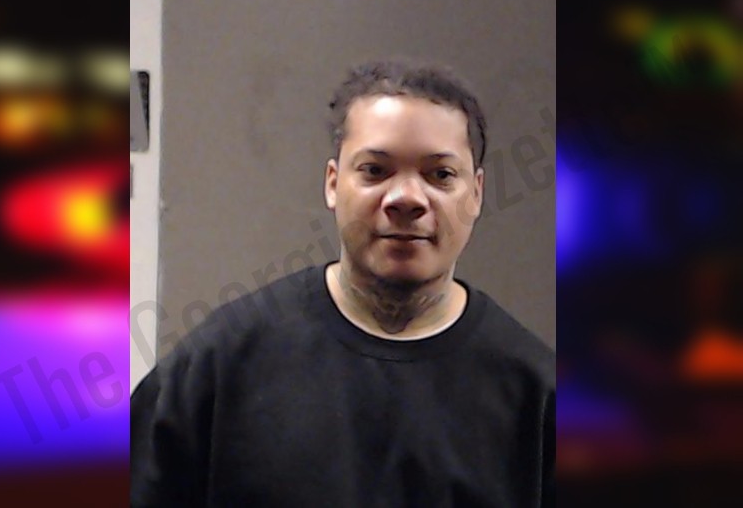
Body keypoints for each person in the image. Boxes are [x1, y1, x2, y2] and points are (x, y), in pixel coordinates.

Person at [130, 59, 555, 507]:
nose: (407, 198)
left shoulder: (537, 398)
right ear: (333, 184)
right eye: (375, 170)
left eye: (440, 175)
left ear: (477, 193)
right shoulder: (217, 369)